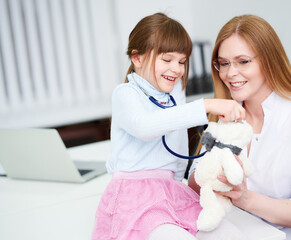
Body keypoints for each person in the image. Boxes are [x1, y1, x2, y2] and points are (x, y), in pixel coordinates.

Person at [188, 14, 291, 239]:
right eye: (224, 63)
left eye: (243, 61)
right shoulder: (224, 115)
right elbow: (197, 177)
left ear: (269, 60)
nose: (230, 73)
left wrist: (244, 198)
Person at [92, 12, 245, 240]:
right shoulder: (125, 94)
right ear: (137, 58)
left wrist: (177, 184)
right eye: (167, 59)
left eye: (182, 62)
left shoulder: (174, 94)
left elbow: (178, 149)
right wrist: (206, 105)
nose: (177, 69)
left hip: (170, 189)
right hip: (135, 195)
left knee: (229, 233)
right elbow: (146, 128)